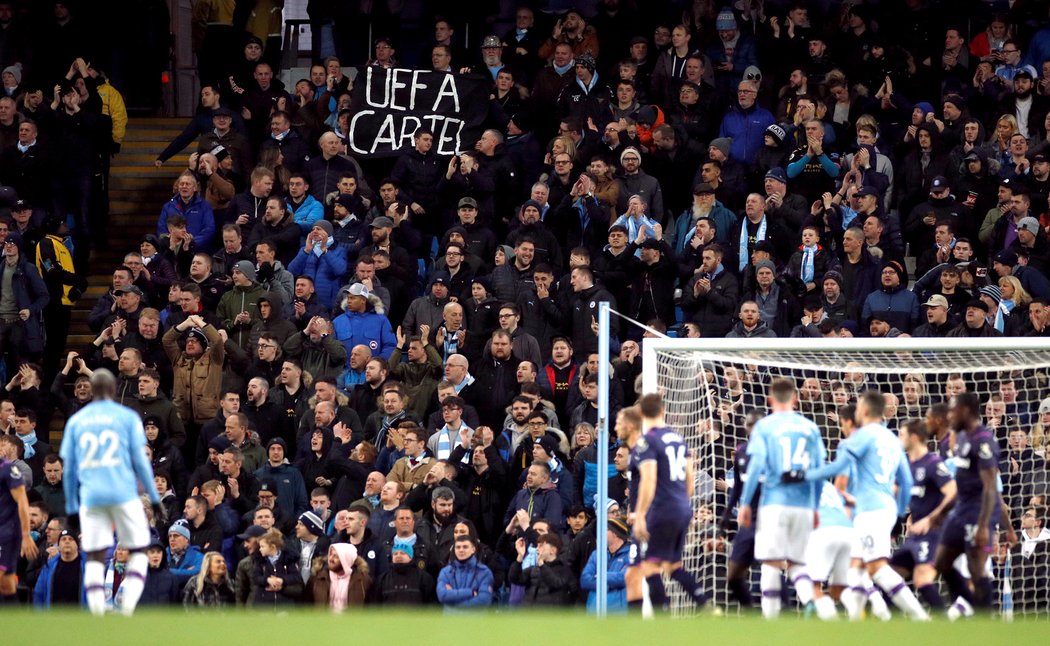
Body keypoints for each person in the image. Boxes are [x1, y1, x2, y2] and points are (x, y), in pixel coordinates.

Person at [786, 390, 929, 620]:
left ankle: (921, 618)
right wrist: (899, 515)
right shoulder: (892, 439)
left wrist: (802, 475)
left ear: (863, 410)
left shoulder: (862, 437)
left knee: (877, 568)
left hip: (868, 509)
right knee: (857, 568)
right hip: (887, 509)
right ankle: (865, 619)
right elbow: (907, 481)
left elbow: (836, 468)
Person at [59, 368, 160, 616]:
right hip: (123, 494)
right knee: (138, 551)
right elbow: (140, 462)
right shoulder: (127, 417)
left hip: (92, 496)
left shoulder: (76, 421)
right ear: (114, 390)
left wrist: (71, 505)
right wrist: (154, 498)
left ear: (92, 390)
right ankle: (125, 610)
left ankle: (97, 612)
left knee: (94, 556)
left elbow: (69, 470)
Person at [737, 378, 825, 619]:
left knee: (770, 562)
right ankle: (810, 599)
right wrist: (816, 506)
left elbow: (755, 467)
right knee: (797, 562)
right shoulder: (810, 428)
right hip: (804, 505)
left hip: (775, 503)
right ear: (795, 400)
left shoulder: (765, 427)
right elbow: (819, 471)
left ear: (770, 399)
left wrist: (745, 502)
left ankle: (771, 619)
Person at [618, 396, 709, 616]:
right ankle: (706, 606)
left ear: (639, 416)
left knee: (649, 568)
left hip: (658, 512)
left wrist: (639, 515)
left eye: (619, 422)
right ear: (663, 410)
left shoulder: (647, 442)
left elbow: (649, 479)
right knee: (666, 567)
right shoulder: (678, 438)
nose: (615, 426)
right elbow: (690, 478)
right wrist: (682, 504)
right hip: (681, 508)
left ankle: (663, 620)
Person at [934, 392, 1011, 613]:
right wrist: (940, 512)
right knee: (941, 562)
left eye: (953, 410)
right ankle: (970, 607)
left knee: (976, 570)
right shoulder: (963, 440)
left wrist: (988, 526)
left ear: (965, 411)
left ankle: (978, 618)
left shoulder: (984, 441)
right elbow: (959, 486)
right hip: (958, 514)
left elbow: (991, 488)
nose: (949, 416)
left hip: (978, 514)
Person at [889, 419, 956, 613]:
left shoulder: (934, 463)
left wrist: (931, 518)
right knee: (889, 576)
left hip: (933, 532)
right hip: (914, 534)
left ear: (915, 437)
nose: (899, 438)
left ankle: (945, 629)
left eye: (902, 434)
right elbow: (895, 492)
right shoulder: (906, 466)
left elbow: (953, 492)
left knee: (922, 579)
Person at [0, 432, 37, 603]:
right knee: (6, 584)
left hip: (8, 533)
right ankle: (17, 623)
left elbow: (22, 501)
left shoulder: (10, 469)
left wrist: (26, 535)